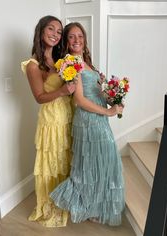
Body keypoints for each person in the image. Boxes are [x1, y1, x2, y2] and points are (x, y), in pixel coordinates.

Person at [50, 22, 125, 226]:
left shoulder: (87, 62)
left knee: (101, 162)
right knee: (94, 163)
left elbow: (98, 93)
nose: (77, 40)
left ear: (84, 39)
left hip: (98, 117)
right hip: (88, 121)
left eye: (80, 36)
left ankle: (96, 205)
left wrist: (114, 99)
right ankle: (88, 205)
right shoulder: (70, 62)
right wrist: (109, 112)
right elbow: (79, 100)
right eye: (72, 37)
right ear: (66, 41)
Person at [21, 15, 75, 227]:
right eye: (51, 29)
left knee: (64, 158)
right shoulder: (34, 65)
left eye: (59, 31)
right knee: (52, 162)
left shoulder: (61, 59)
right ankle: (52, 203)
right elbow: (39, 98)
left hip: (66, 115)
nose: (55, 34)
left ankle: (66, 198)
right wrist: (62, 90)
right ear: (41, 31)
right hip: (51, 120)